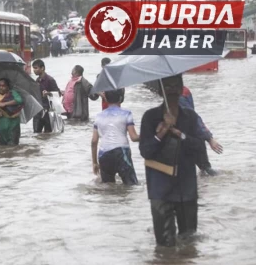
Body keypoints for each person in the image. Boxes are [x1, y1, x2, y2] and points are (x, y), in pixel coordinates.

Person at [139, 74, 206, 247]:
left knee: (189, 243)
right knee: (164, 246)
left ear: (181, 88)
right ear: (160, 91)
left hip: (186, 189)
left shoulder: (190, 117)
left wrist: (180, 134)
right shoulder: (150, 117)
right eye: (167, 86)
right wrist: (162, 132)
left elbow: (199, 147)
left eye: (175, 85)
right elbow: (145, 151)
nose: (171, 90)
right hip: (160, 190)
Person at [91, 89, 140, 185]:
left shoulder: (98, 116)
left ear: (106, 98)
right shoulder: (126, 114)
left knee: (108, 188)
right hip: (121, 153)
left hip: (104, 155)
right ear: (120, 98)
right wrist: (150, 135)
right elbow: (134, 137)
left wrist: (95, 163)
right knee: (132, 185)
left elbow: (94, 141)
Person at [178, 85, 223, 176]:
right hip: (193, 136)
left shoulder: (179, 97)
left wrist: (209, 138)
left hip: (189, 137)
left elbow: (194, 118)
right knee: (204, 171)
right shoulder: (184, 90)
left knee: (205, 171)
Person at [0, 78, 24, 146]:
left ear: (8, 87)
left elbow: (19, 100)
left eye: (3, 86)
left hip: (13, 125)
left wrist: (5, 104)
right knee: (2, 148)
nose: (1, 88)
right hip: (1, 127)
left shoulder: (12, 93)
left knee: (13, 147)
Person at [32, 59, 60, 133]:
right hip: (38, 110)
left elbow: (58, 94)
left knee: (48, 133)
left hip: (48, 110)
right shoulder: (37, 80)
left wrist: (48, 93)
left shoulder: (50, 80)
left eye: (36, 68)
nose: (34, 70)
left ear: (42, 68)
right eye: (33, 68)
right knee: (36, 133)